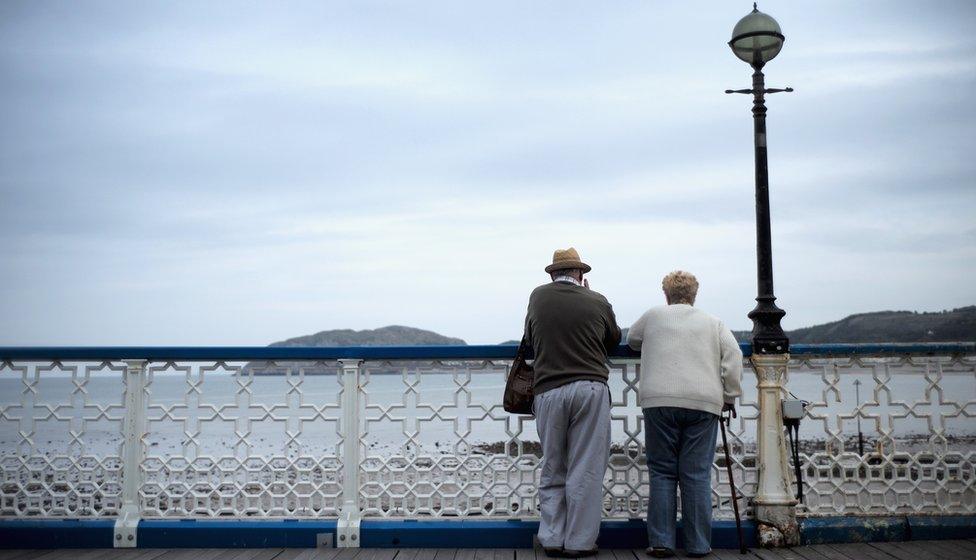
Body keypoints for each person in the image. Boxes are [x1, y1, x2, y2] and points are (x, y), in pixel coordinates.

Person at [627, 271, 743, 558]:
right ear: (694, 295)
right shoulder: (713, 322)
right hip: (703, 402)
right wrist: (729, 395)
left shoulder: (654, 315)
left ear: (666, 295)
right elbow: (734, 357)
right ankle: (699, 544)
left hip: (659, 400)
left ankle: (661, 542)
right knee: (696, 474)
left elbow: (631, 339)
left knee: (663, 471)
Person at [524, 247, 622, 558]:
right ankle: (579, 542)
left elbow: (529, 337)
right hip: (590, 388)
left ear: (552, 273)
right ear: (580, 274)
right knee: (587, 467)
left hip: (549, 390)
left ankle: (552, 537)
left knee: (554, 464)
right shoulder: (598, 300)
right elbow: (613, 338)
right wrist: (592, 299)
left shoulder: (537, 297)